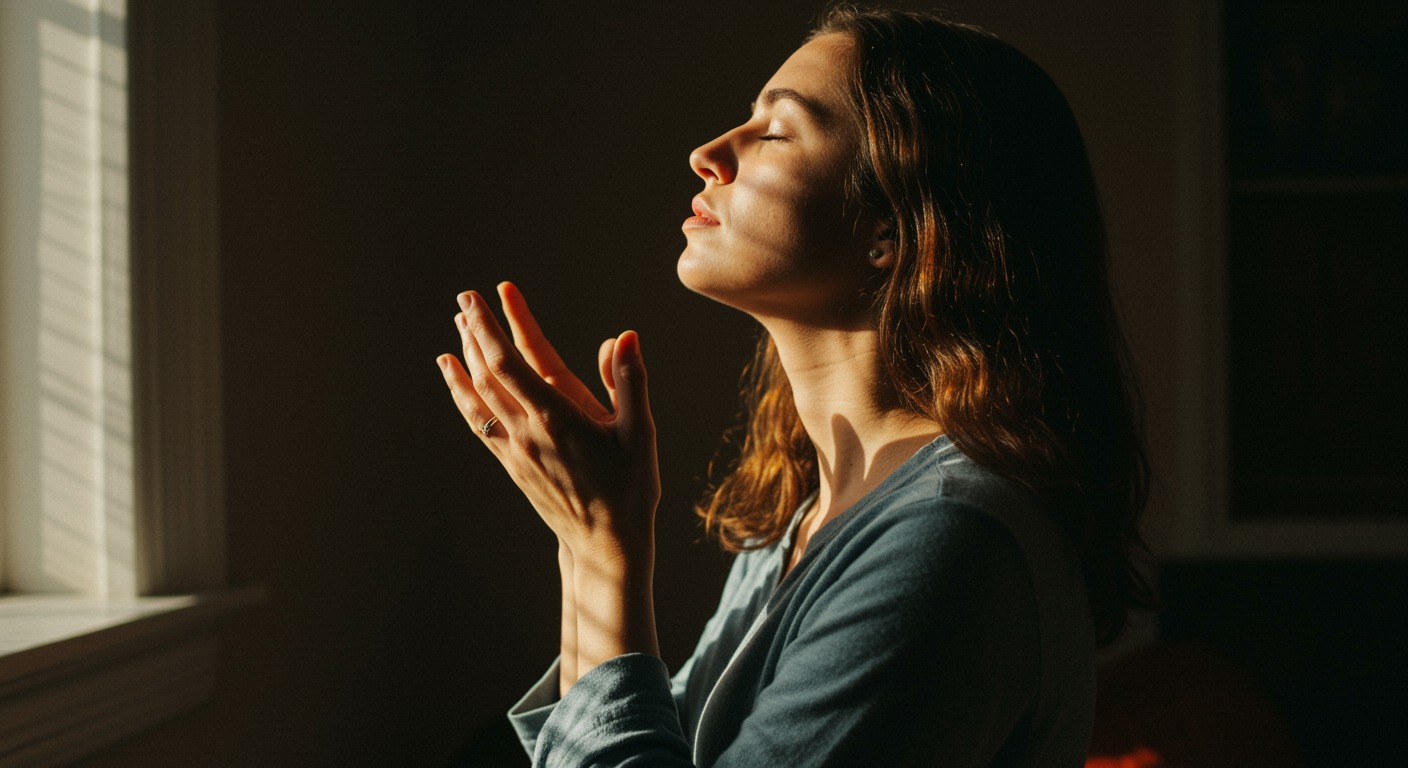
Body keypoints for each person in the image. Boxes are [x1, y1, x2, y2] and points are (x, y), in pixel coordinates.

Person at [436, 6, 1152, 766]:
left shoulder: (950, 543)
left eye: (775, 131)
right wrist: (582, 542)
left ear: (898, 229)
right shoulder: (809, 514)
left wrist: (602, 542)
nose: (707, 153)